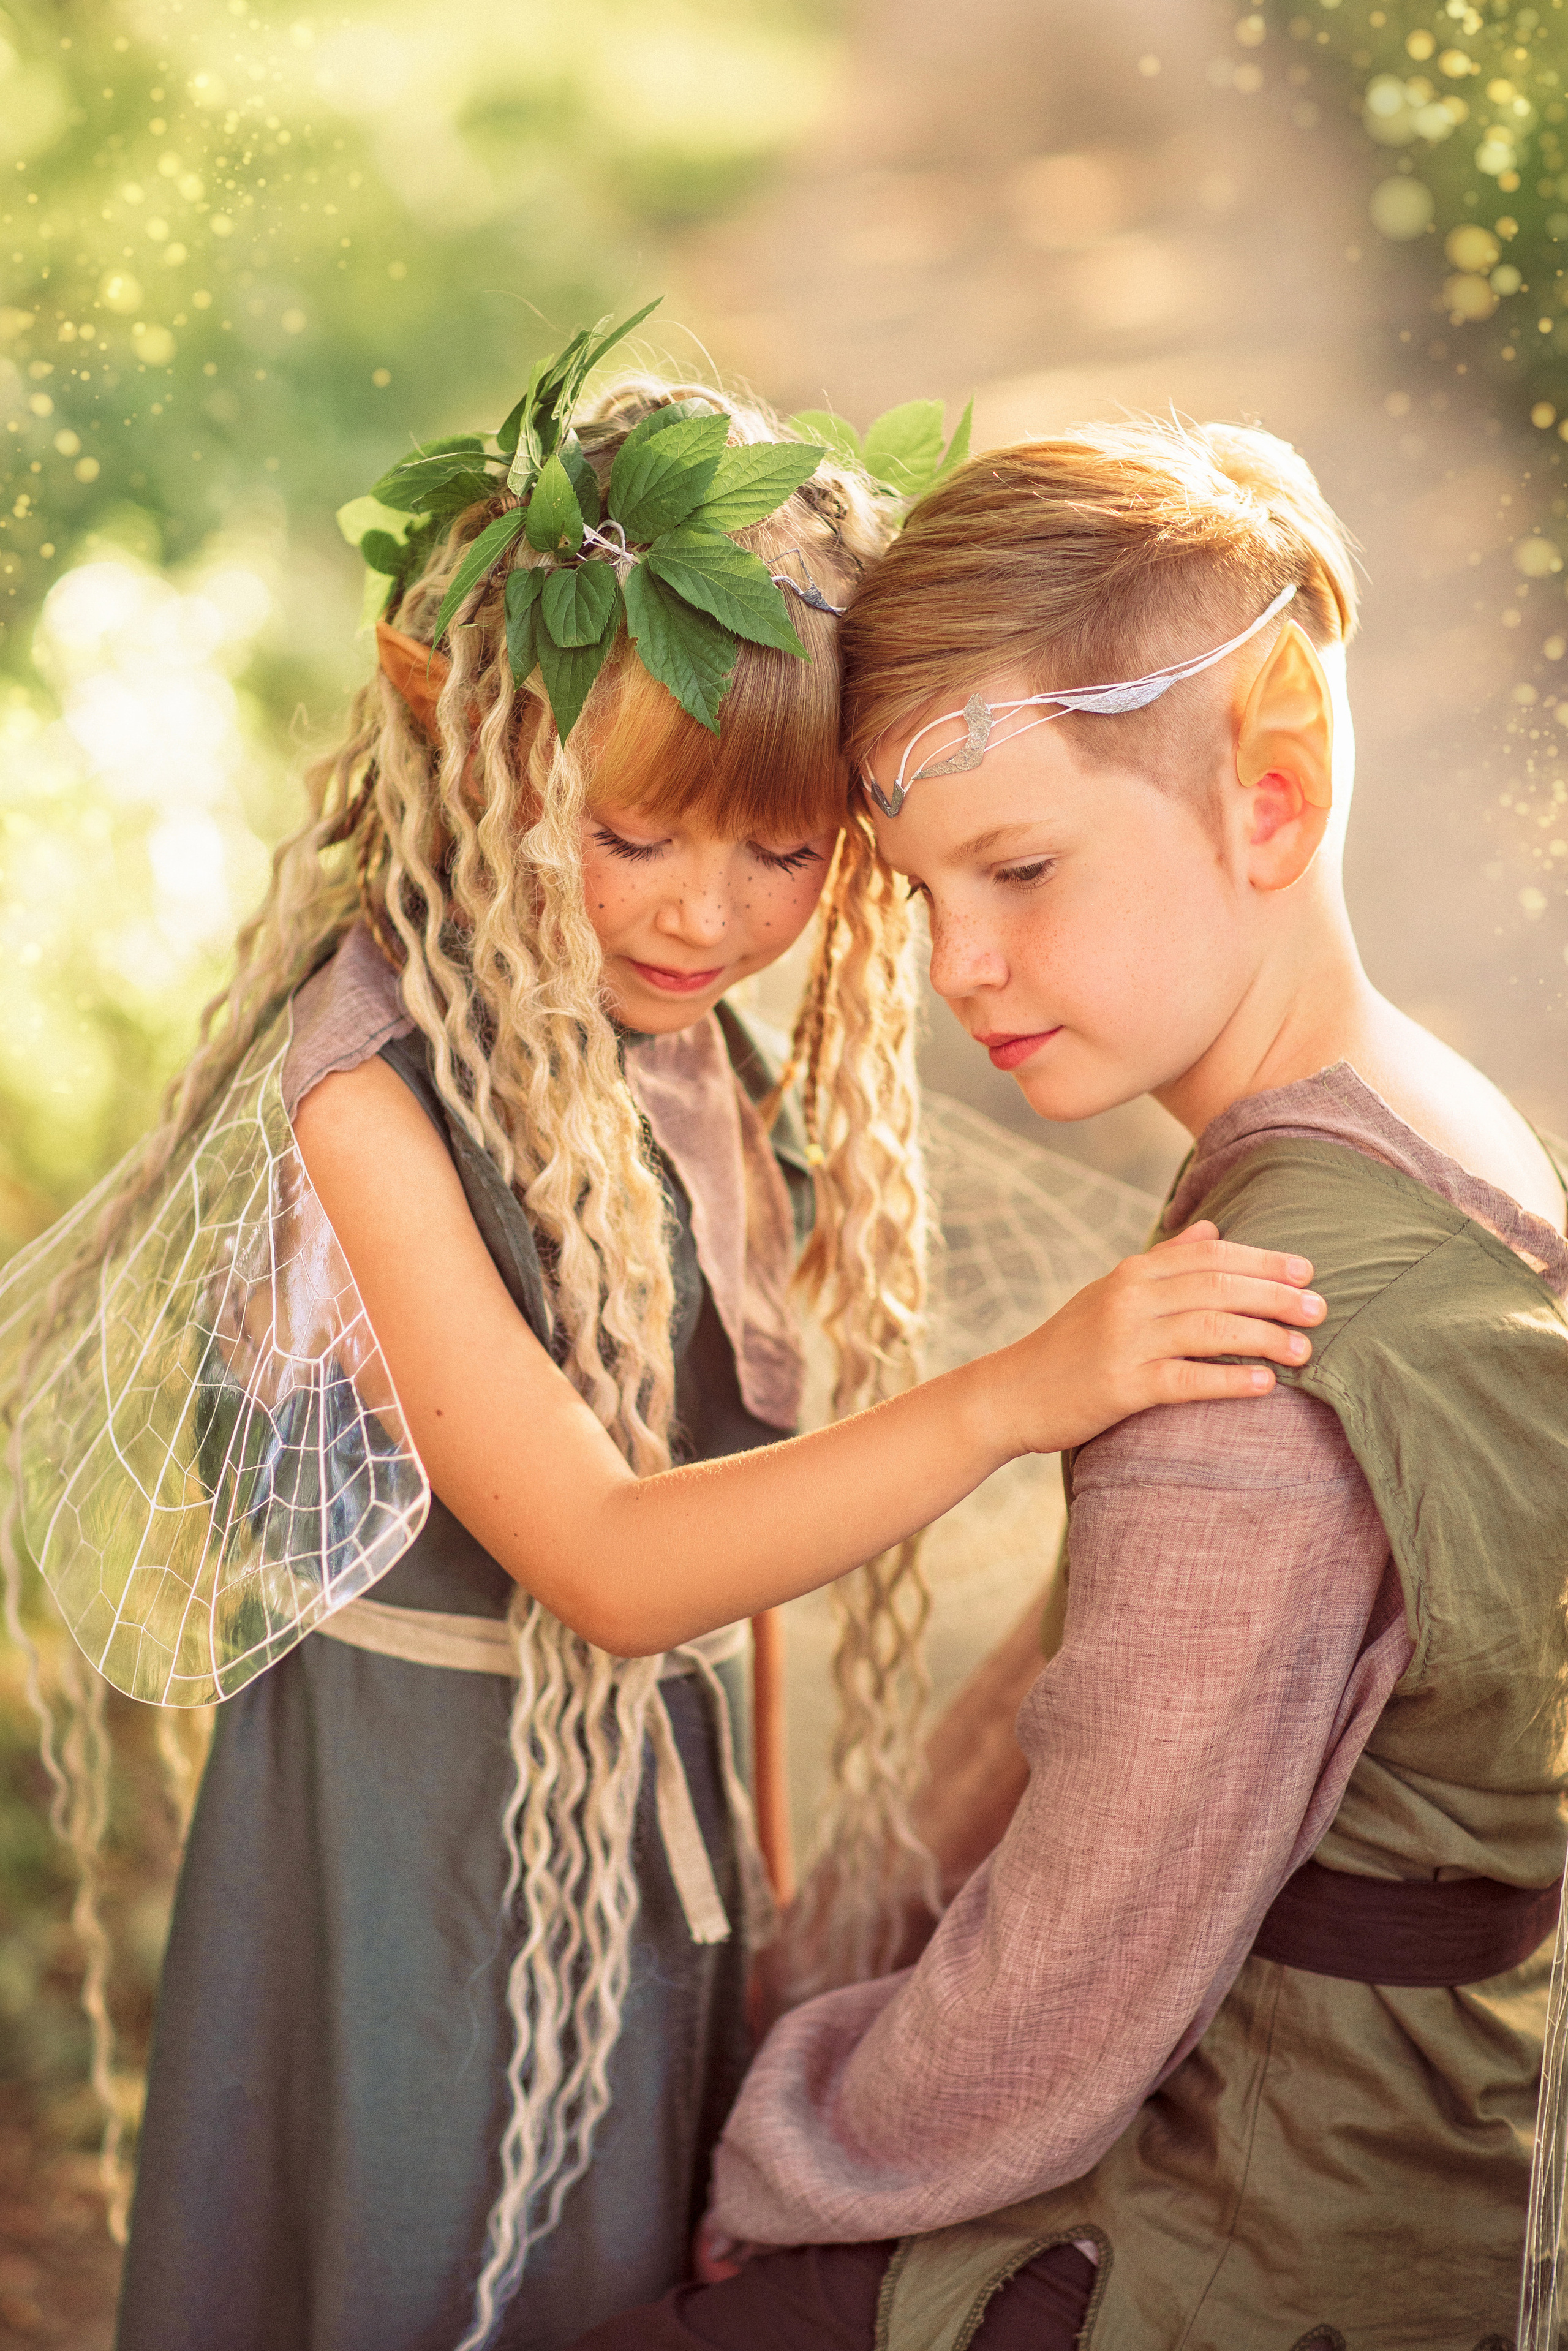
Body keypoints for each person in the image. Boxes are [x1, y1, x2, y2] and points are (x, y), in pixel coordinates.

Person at [0, 336, 1319, 2351]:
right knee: (427, 2271)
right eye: (636, 837)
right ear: (491, 763)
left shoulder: (701, 1062)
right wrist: (1020, 1397)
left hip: (644, 1854)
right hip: (413, 1877)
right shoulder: (363, 1099)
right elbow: (618, 1561)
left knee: (622, 2279)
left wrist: (783, 1916)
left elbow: (739, 1570)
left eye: (786, 854)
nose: (705, 915)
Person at [570, 419, 1568, 2351]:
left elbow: (1066, 1988)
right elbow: (1066, 1697)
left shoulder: (1254, 1366)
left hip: (1220, 2250)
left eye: (1018, 870)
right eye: (924, 895)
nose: (961, 962)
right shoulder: (1435, 1138)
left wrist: (779, 2160)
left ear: (1270, 799)